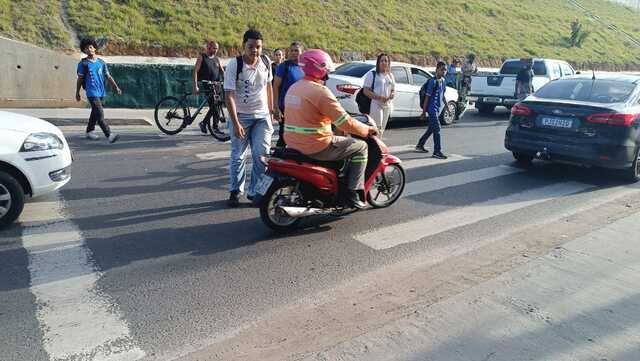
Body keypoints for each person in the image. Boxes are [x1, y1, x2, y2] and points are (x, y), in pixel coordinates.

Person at [284, 49, 378, 209]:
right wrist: (366, 130)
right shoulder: (320, 92)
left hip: (292, 143)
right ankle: (353, 191)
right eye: (326, 71)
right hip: (316, 145)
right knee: (361, 147)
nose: (327, 75)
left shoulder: (295, 87)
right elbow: (344, 123)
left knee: (343, 141)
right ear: (320, 69)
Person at [224, 29, 275, 207]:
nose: (255, 50)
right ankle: (235, 190)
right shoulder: (234, 64)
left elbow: (268, 87)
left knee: (261, 156)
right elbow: (229, 94)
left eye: (258, 47)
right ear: (243, 46)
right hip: (241, 117)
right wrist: (236, 122)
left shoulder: (266, 62)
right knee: (238, 156)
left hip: (262, 116)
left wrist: (271, 110)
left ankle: (255, 192)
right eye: (251, 46)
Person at [75, 37, 122, 143]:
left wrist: (116, 87)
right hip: (91, 93)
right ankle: (109, 135)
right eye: (86, 48)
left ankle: (89, 131)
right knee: (100, 114)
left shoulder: (101, 62)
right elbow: (80, 79)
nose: (89, 49)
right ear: (84, 50)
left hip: (101, 92)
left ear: (95, 48)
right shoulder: (83, 64)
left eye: (91, 47)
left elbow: (108, 77)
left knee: (95, 113)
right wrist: (77, 92)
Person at [273, 42, 305, 147]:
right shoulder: (284, 66)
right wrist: (276, 107)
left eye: (296, 50)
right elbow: (275, 87)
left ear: (302, 52)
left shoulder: (305, 67)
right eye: (291, 50)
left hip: (301, 110)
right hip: (286, 109)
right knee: (284, 137)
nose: (294, 53)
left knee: (299, 137)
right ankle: (277, 159)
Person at [415, 61, 448, 160]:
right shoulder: (432, 82)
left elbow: (443, 96)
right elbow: (427, 98)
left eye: (445, 70)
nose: (444, 72)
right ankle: (437, 151)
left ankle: (420, 145)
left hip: (437, 109)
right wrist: (424, 112)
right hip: (431, 109)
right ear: (436, 69)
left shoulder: (443, 81)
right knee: (437, 129)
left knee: (432, 128)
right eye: (442, 69)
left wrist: (447, 107)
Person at [193, 39, 225, 135]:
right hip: (208, 85)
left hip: (217, 85)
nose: (215, 50)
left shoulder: (217, 59)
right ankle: (204, 123)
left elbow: (222, 71)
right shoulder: (202, 57)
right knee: (214, 106)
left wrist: (228, 81)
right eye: (214, 48)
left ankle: (214, 127)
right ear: (208, 47)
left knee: (218, 106)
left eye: (217, 49)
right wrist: (195, 85)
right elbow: (195, 71)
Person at [362, 53, 395, 136]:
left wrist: (392, 94)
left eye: (386, 61)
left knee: (382, 129)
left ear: (388, 63)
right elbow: (365, 91)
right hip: (376, 104)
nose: (384, 63)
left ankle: (379, 145)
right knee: (376, 127)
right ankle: (374, 146)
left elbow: (393, 89)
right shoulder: (372, 74)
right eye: (382, 61)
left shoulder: (390, 75)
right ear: (378, 63)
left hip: (387, 104)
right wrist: (379, 97)